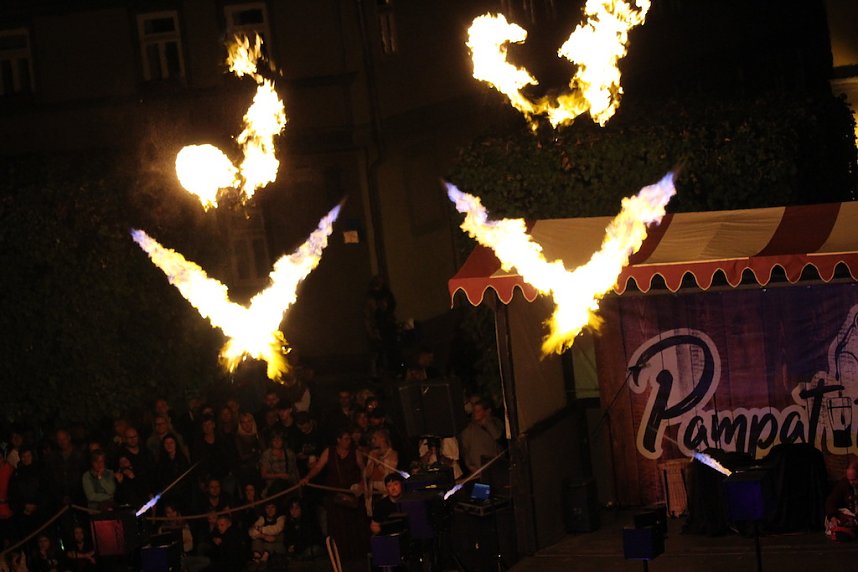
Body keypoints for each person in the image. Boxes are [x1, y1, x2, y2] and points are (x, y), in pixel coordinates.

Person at [300, 429, 368, 561]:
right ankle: (341, 556)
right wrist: (307, 478)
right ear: (339, 439)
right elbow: (318, 467)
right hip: (334, 495)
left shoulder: (355, 453)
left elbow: (363, 470)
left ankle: (358, 554)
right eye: (346, 438)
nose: (348, 441)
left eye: (349, 439)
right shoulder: (329, 452)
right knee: (339, 527)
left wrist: (361, 484)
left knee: (354, 525)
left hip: (352, 494)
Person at [460, 399, 504, 474]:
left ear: (487, 411)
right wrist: (471, 466)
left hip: (496, 467)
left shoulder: (496, 422)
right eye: (474, 411)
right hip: (478, 469)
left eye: (478, 411)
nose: (475, 414)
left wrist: (487, 423)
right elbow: (465, 450)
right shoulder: (468, 429)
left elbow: (497, 436)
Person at [826, 459, 858, 541]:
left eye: (854, 480)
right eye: (849, 479)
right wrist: (833, 517)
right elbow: (831, 501)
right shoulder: (844, 483)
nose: (851, 482)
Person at [259, 432, 298, 498]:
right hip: (272, 487)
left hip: (289, 487)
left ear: (283, 441)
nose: (277, 442)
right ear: (271, 441)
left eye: (279, 440)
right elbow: (264, 475)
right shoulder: (266, 455)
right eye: (274, 440)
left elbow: (295, 472)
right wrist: (279, 475)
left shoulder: (289, 454)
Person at [248, 500, 287, 566]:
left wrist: (261, 530)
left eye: (272, 507)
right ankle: (257, 558)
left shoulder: (281, 518)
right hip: (263, 546)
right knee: (256, 539)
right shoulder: (262, 518)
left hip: (276, 546)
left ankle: (264, 559)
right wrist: (263, 536)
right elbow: (252, 531)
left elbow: (276, 529)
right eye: (267, 508)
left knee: (273, 538)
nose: (270, 510)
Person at [364, 428, 399, 495]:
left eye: (375, 438)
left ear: (382, 439)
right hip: (372, 490)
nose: (372, 441)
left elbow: (388, 474)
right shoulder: (372, 453)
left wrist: (377, 462)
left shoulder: (392, 454)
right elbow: (367, 474)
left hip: (386, 490)